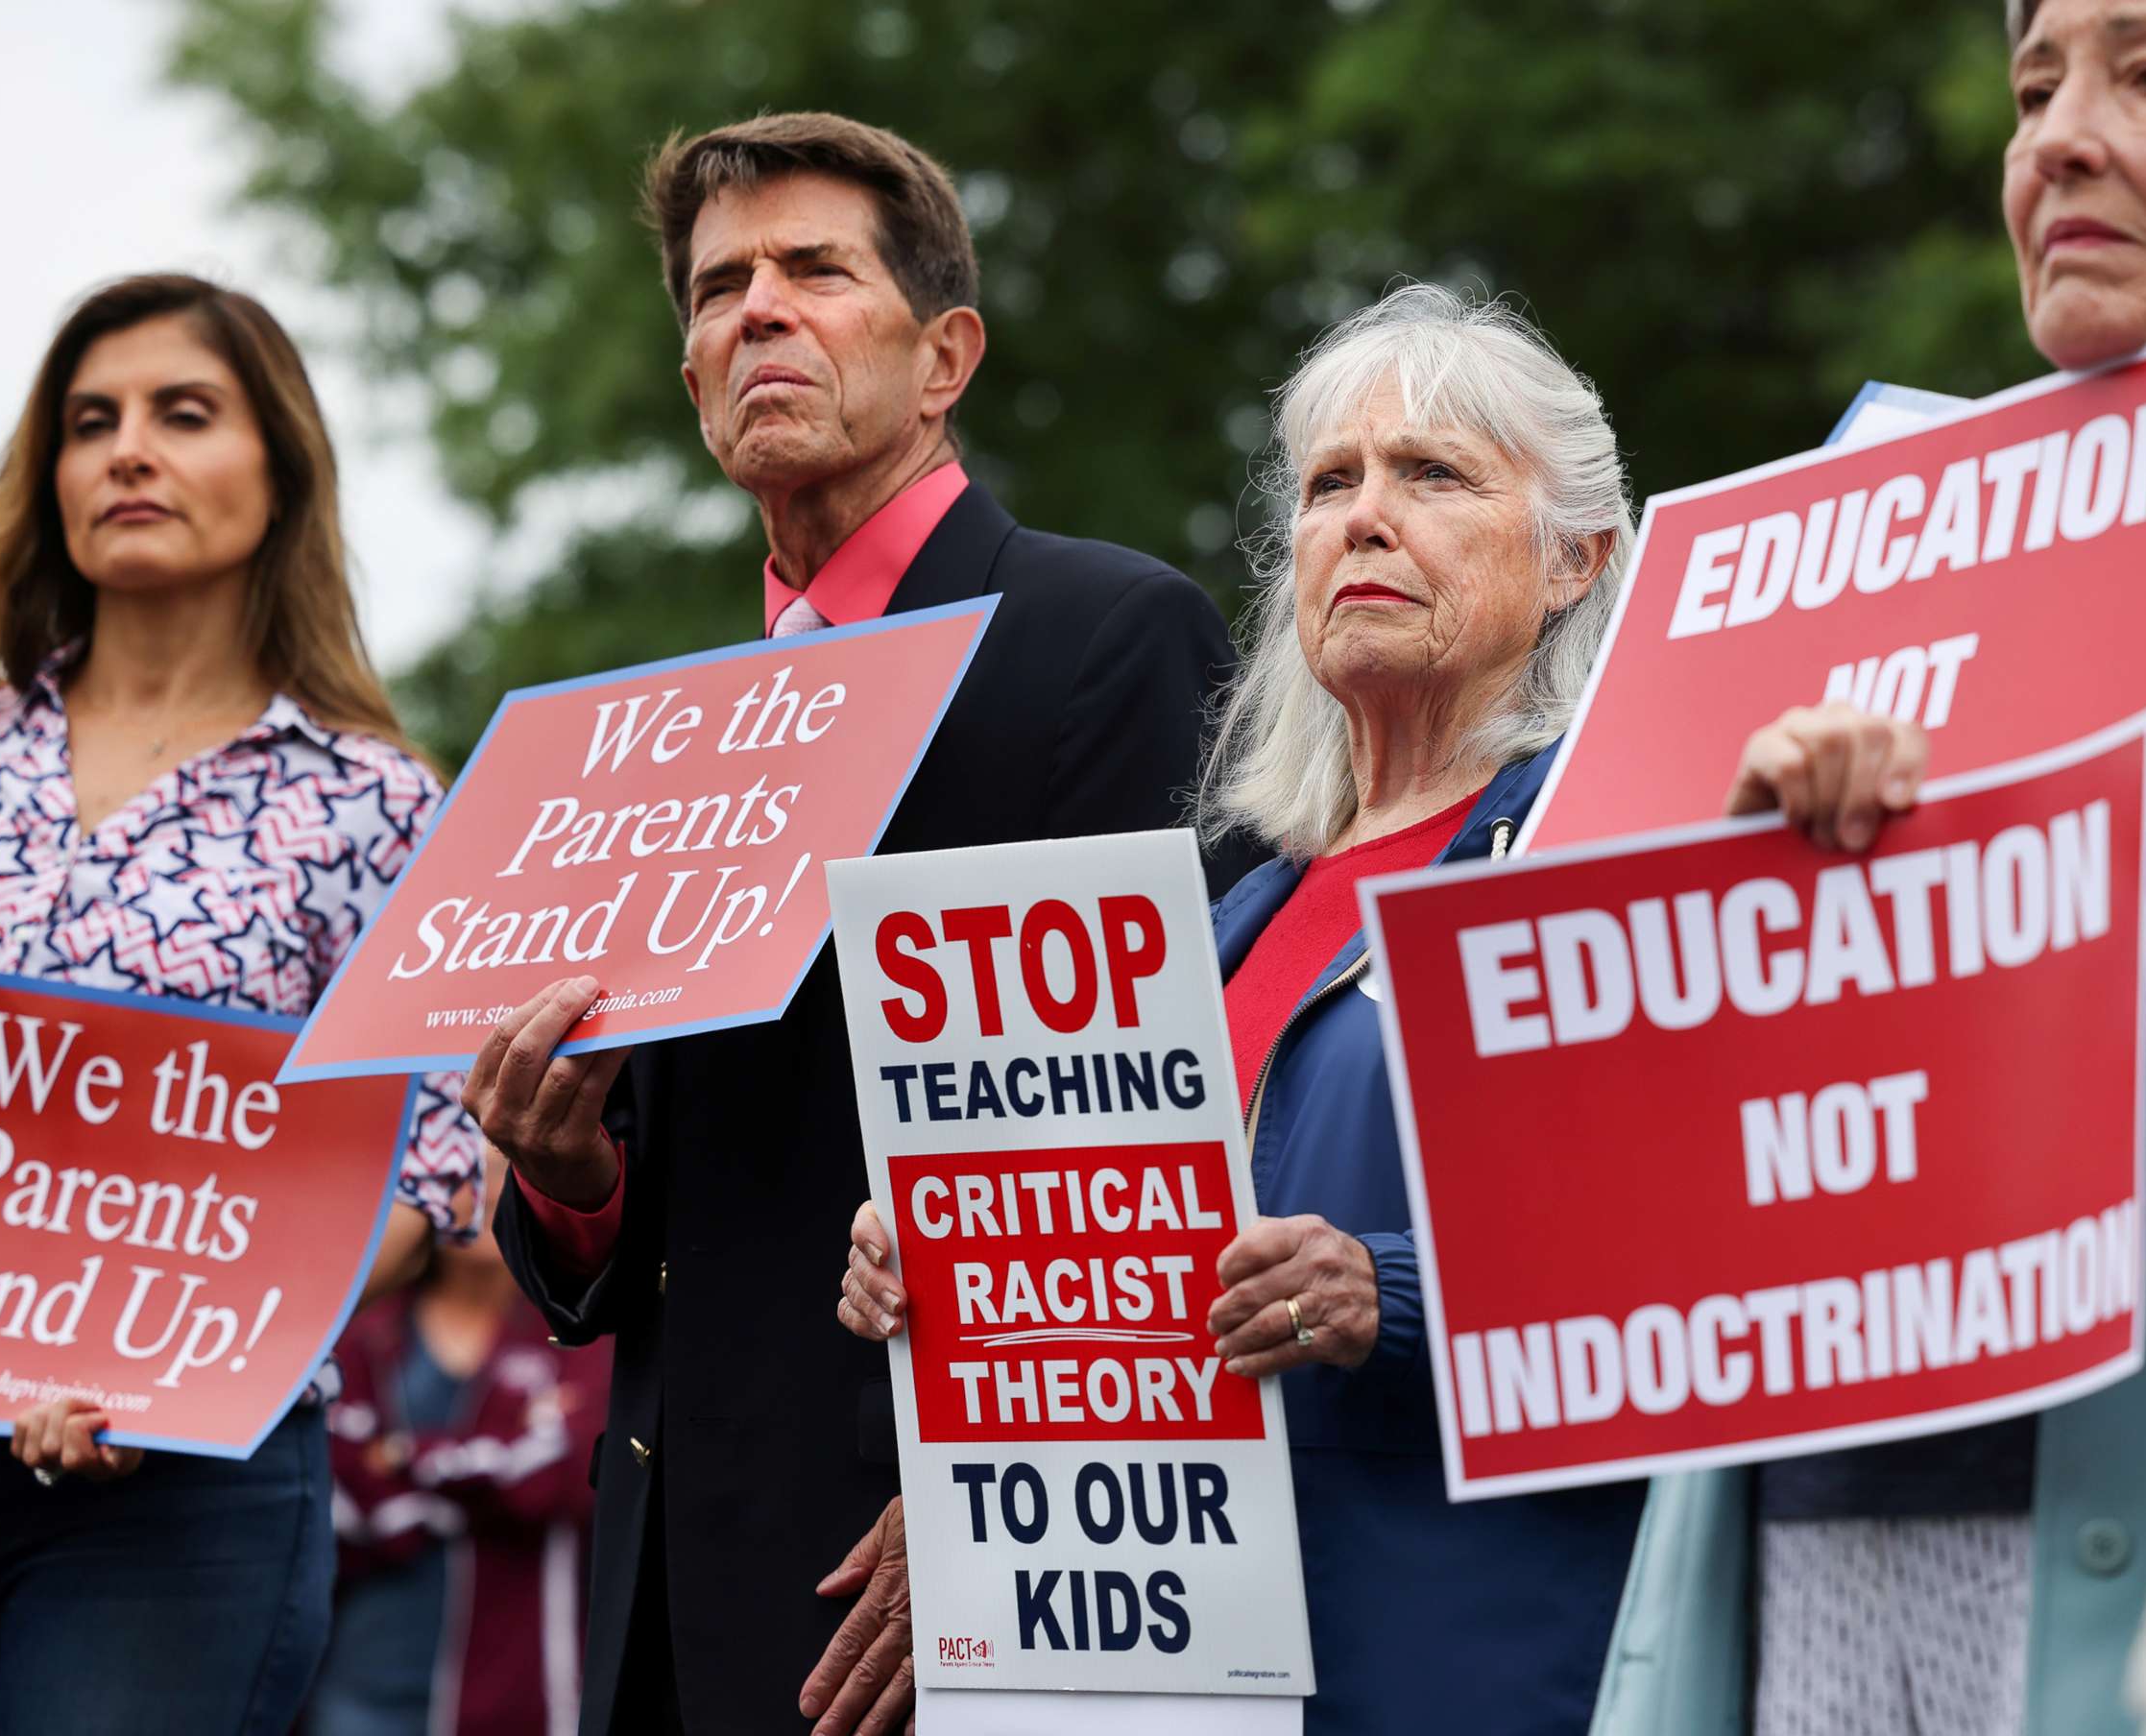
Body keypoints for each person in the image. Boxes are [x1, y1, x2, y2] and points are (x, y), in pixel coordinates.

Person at [1593, 5, 2146, 1733]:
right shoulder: (1862, 533)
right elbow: (1633, 1062)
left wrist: (1896, 934)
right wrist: (1730, 896)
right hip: (1808, 1521)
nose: (2056, 137)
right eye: (2033, 87)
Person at [471, 112, 1251, 1736]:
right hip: (668, 1598)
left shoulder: (1101, 637)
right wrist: (574, 1186)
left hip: (945, 1583)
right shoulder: (668, 740)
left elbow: (1148, 1139)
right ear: (691, 376)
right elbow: (658, 1231)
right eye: (716, 288)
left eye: (815, 270)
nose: (755, 310)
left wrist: (996, 1492)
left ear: (944, 351)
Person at [837, 280, 1650, 1733]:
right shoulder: (1217, 925)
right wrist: (951, 1257)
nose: (1364, 516)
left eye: (1434, 476)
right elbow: (1112, 1284)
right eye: (1331, 483)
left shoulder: (1614, 855)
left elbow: (1703, 1255)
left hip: (1472, 1657)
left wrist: (1384, 1290)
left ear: (1576, 558)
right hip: (1173, 1683)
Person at [0, 273, 485, 1733]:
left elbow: (429, 1165)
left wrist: (157, 1369)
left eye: (184, 414)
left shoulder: (375, 801)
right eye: (91, 421)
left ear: (279, 469)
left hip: (183, 1507)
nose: (128, 451)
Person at [305, 1154, 611, 1736]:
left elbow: (566, 1475)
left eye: (506, 1171)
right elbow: (335, 1486)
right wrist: (486, 1475)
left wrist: (401, 1458)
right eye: (461, 1172)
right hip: (361, 1691)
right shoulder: (361, 1333)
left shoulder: (575, 1336)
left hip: (524, 1699)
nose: (487, 1191)